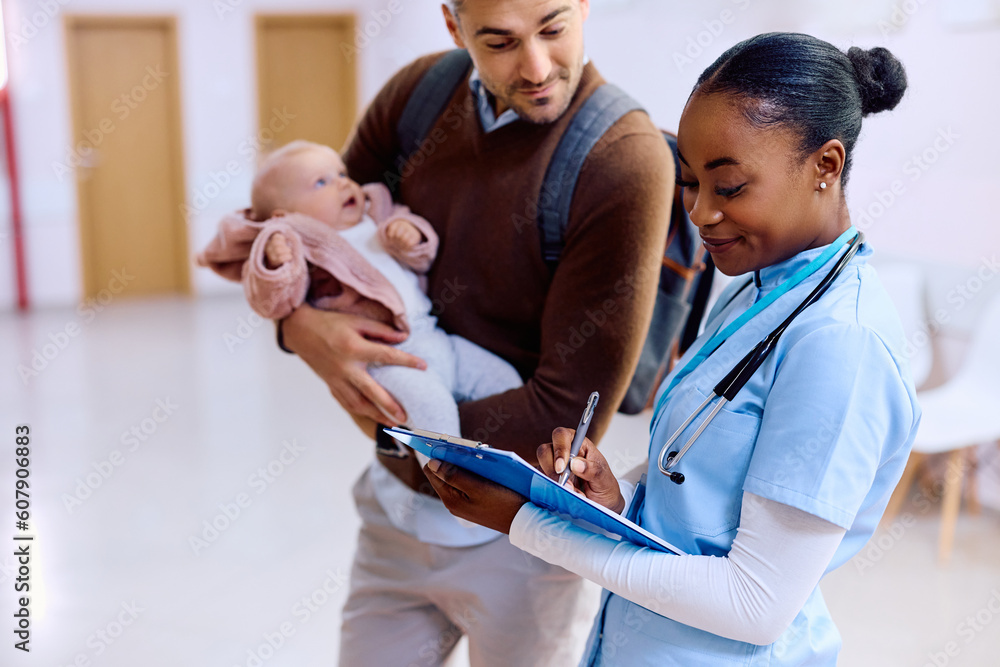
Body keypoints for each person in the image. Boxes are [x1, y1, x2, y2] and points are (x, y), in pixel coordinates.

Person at [425, 32, 922, 665]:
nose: (701, 214)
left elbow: (755, 601)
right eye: (689, 183)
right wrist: (617, 500)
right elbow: (706, 507)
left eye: (730, 186)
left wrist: (528, 524)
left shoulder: (840, 344)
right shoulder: (760, 287)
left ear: (825, 166)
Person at [277, 1, 674, 665]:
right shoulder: (419, 94)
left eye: (554, 27)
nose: (539, 67)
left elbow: (562, 416)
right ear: (452, 25)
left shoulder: (620, 159)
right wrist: (301, 327)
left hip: (521, 542)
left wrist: (390, 425)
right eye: (500, 41)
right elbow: (317, 241)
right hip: (396, 521)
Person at [197, 140, 523, 447]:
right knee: (431, 409)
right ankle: (450, 476)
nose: (342, 183)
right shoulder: (300, 244)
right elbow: (277, 302)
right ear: (286, 216)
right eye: (320, 183)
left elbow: (423, 257)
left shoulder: (376, 213)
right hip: (387, 358)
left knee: (503, 379)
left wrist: (411, 236)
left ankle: (515, 454)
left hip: (436, 338)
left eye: (341, 173)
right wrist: (275, 264)